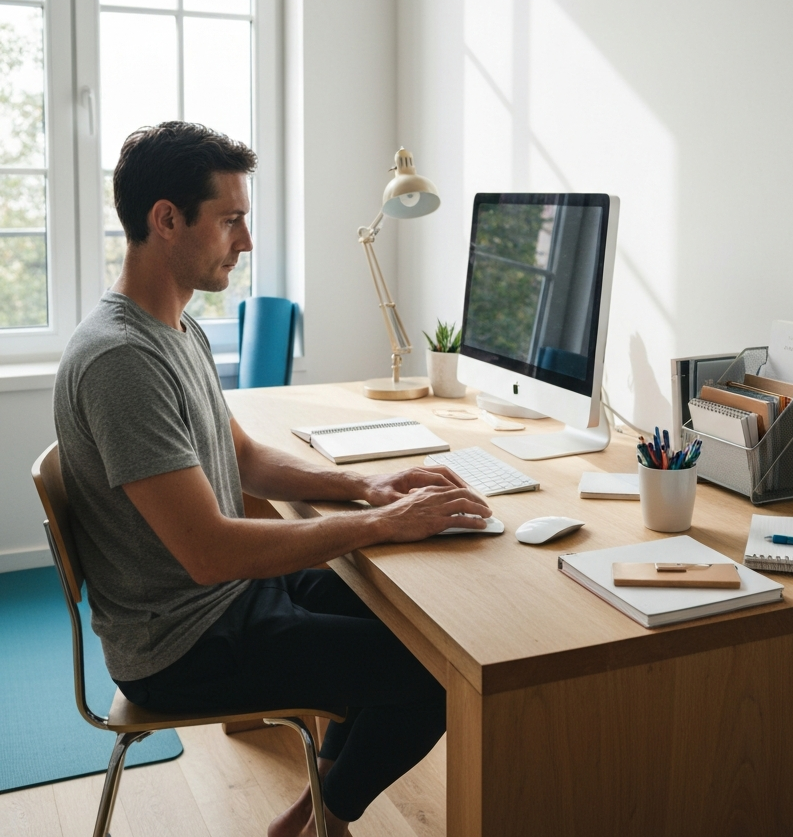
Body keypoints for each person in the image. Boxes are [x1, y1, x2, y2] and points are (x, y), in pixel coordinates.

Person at [53, 121, 490, 837]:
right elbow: (211, 553)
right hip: (181, 643)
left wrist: (366, 490)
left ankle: (317, 815)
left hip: (221, 601)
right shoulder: (120, 361)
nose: (246, 242)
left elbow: (246, 457)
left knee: (425, 640)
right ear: (167, 220)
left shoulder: (176, 329)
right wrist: (381, 526)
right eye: (231, 220)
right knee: (431, 680)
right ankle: (317, 823)